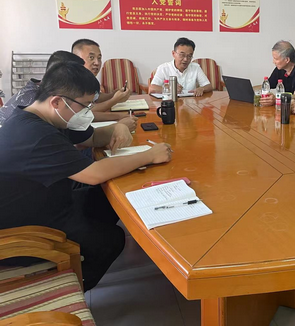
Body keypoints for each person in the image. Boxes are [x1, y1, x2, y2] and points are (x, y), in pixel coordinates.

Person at [0, 62, 172, 291]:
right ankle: (66, 286)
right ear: (57, 101)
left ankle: (83, 245)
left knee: (108, 200)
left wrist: (119, 127)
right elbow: (93, 174)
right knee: (111, 239)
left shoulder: (42, 117)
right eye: (84, 106)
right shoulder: (36, 134)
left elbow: (91, 139)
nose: (87, 112)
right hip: (27, 230)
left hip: (49, 203)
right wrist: (149, 156)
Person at [0, 51, 137, 131]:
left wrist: (118, 115)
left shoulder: (43, 90)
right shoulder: (35, 103)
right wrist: (117, 117)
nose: (96, 63)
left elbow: (82, 112)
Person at [72, 39, 133, 121]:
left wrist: (113, 94)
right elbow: (84, 112)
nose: (97, 63)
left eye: (99, 58)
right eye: (91, 57)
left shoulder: (90, 78)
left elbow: (96, 97)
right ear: (76, 60)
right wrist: (114, 100)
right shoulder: (72, 81)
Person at [149, 37, 213, 97]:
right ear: (173, 54)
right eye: (182, 55)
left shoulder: (195, 67)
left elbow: (209, 86)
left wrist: (202, 88)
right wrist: (171, 89)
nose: (185, 59)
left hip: (190, 103)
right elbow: (152, 89)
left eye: (189, 56)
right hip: (170, 102)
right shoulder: (164, 68)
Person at [260, 40, 295, 107]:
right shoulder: (280, 69)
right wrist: (252, 90)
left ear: (287, 60)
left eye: (276, 59)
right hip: (284, 108)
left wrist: (276, 99)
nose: (273, 62)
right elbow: (266, 85)